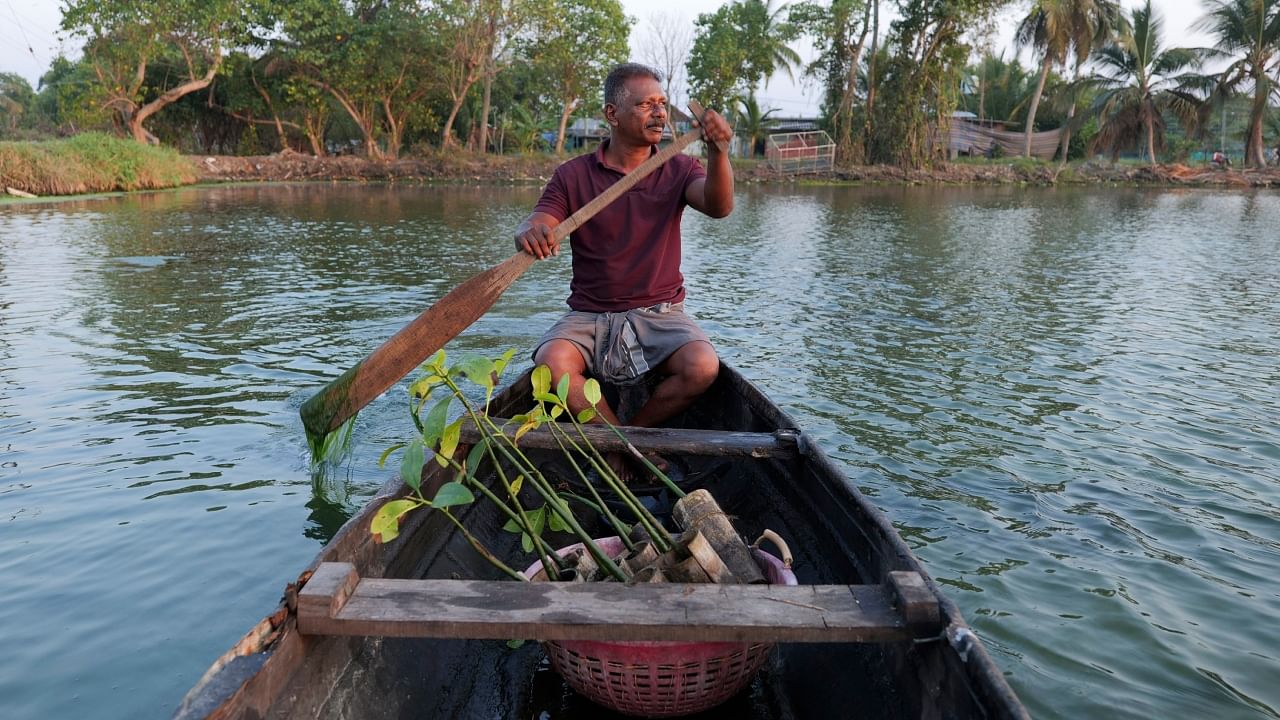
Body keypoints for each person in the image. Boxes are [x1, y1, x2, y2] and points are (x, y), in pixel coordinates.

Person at [514, 63, 734, 477]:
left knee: (703, 366)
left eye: (663, 104)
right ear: (612, 114)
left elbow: (719, 207)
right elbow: (541, 219)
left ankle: (621, 442)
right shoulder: (573, 174)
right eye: (646, 104)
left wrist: (719, 152)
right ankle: (630, 449)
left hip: (660, 313)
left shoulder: (680, 169)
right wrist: (530, 231)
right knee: (551, 364)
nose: (659, 113)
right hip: (589, 315)